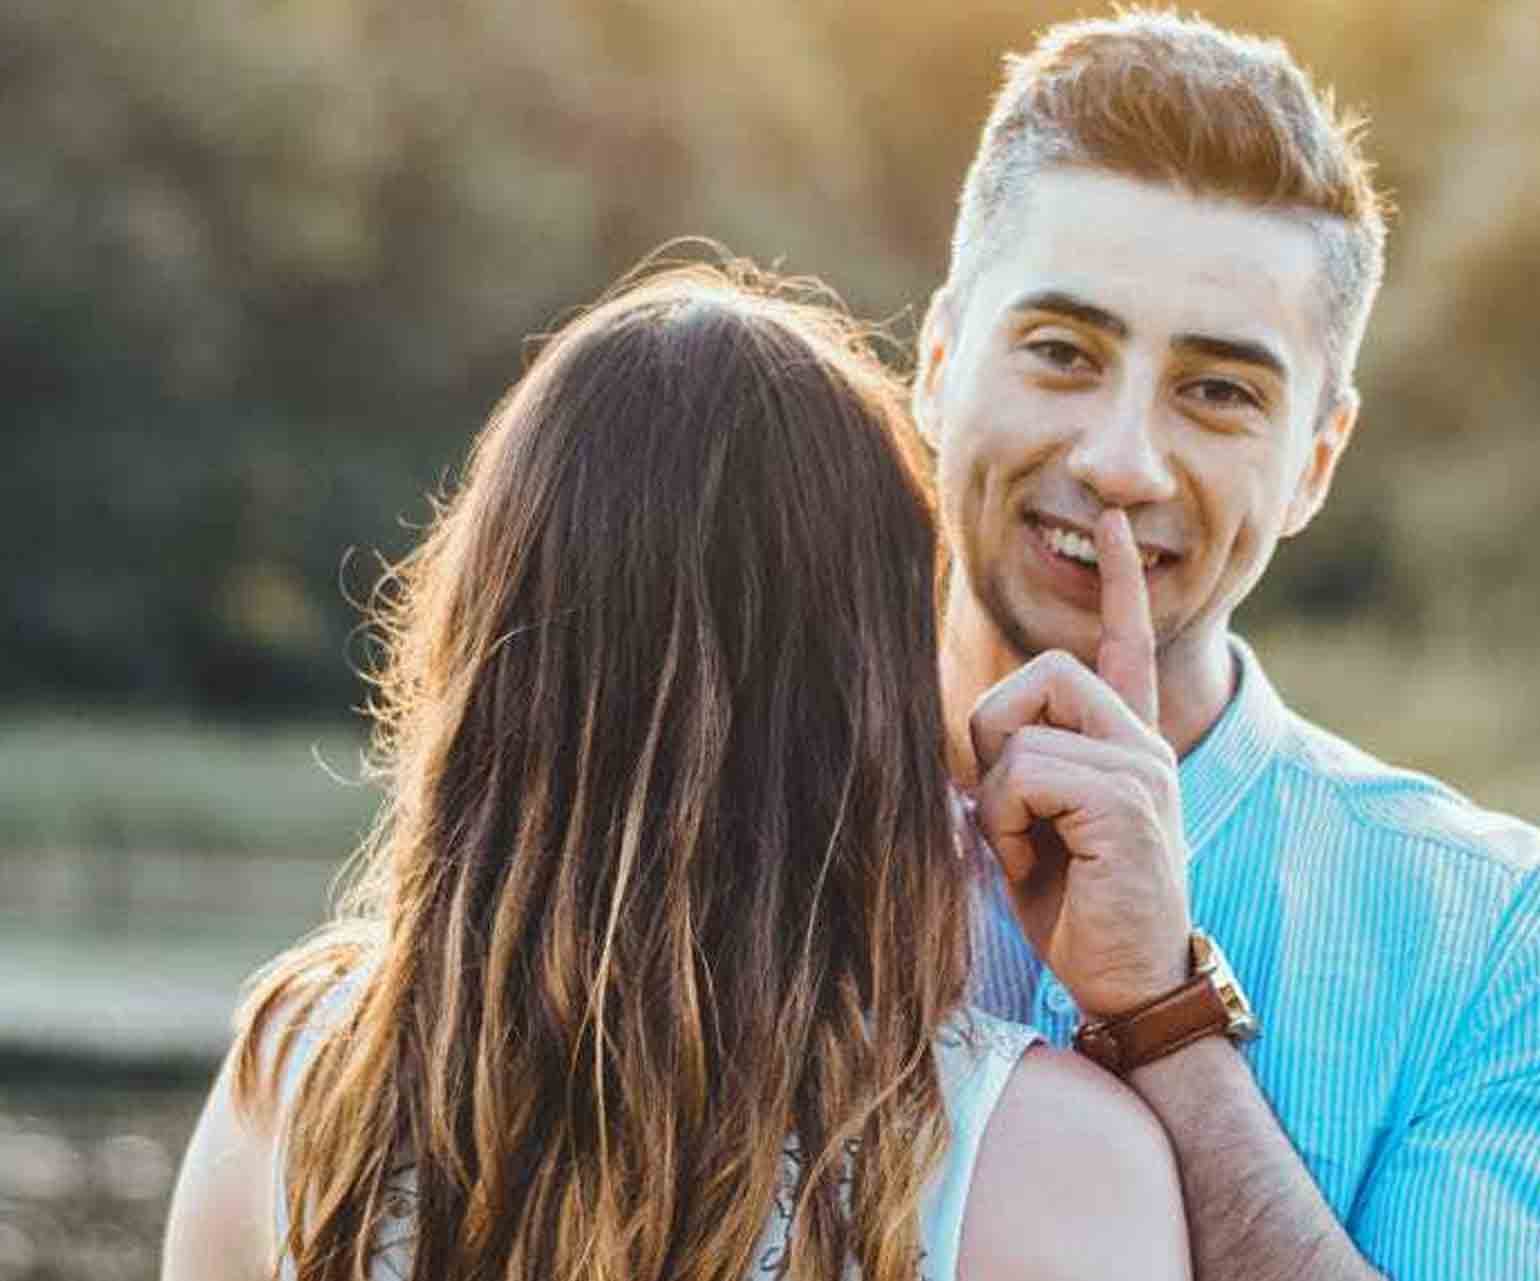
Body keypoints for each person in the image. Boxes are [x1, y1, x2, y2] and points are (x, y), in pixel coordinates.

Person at [161, 262, 1190, 1281]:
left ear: (482, 656)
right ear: (875, 695)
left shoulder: (299, 1084)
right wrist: (1156, 1009)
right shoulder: (1051, 1166)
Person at [914, 13, 1540, 1281]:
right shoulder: (693, 846)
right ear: (936, 362)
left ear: (1317, 460)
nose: (1119, 459)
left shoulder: (1513, 949)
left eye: (1218, 392)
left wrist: (1163, 1020)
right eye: (1060, 352)